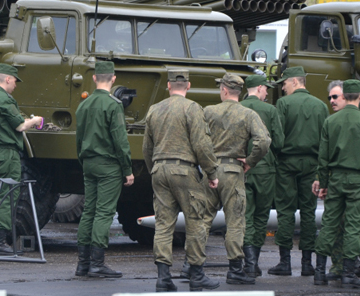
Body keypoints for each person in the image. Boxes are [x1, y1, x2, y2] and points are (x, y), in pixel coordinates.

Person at [143, 69, 219, 292]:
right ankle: (196, 275)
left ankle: (163, 277)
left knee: (163, 224)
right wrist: (212, 173)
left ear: (168, 86)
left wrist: (153, 171)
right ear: (188, 85)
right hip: (184, 170)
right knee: (195, 221)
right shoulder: (192, 108)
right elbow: (202, 145)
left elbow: (146, 148)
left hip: (159, 169)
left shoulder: (154, 110)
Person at [203, 73, 271, 285]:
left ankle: (191, 266)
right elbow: (264, 141)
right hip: (233, 171)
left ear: (224, 90)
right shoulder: (248, 114)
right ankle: (235, 270)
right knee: (235, 222)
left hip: (210, 171)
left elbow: (196, 140)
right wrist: (250, 161)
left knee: (202, 219)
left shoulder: (208, 111)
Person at [313, 79, 360, 289]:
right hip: (359, 180)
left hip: (335, 179)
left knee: (329, 224)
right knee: (353, 226)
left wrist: (323, 182)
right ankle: (348, 275)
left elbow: (322, 157)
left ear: (344, 95)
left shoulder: (330, 122)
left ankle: (319, 273)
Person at [75, 61, 134, 278]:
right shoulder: (113, 104)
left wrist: (84, 161)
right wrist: (127, 169)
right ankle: (97, 264)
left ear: (94, 78)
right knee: (104, 212)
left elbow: (78, 138)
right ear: (114, 79)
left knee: (88, 210)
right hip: (108, 165)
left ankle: (83, 264)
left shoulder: (84, 104)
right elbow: (120, 140)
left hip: (89, 163)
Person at [269, 66, 329, 277]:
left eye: (284, 83)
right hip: (312, 164)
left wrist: (276, 157)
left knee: (285, 211)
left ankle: (285, 262)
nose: (283, 87)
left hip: (286, 164)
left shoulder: (283, 104)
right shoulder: (321, 106)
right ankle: (306, 263)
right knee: (309, 212)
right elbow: (325, 141)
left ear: (295, 81)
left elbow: (277, 136)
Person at [0, 63, 43, 255]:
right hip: (7, 154)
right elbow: (20, 126)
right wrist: (36, 120)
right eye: (15, 81)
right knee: (7, 196)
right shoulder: (5, 100)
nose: (15, 85)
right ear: (7, 79)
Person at [240, 75, 284, 278]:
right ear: (258, 88)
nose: (267, 92)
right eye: (265, 88)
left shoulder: (237, 108)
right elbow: (278, 143)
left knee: (245, 215)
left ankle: (248, 264)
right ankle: (253, 262)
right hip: (265, 170)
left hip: (240, 169)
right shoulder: (270, 110)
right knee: (260, 217)